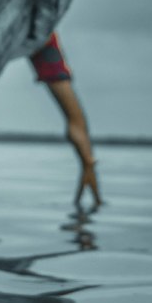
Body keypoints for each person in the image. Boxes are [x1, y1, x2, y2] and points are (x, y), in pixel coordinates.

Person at [29, 32, 101, 209]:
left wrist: (87, 162)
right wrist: (87, 160)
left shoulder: (40, 30)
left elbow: (43, 38)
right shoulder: (40, 28)